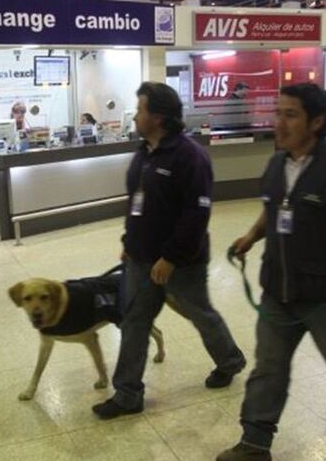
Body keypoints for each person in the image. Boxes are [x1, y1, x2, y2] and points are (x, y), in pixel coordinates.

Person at [217, 83, 326, 461]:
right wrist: (252, 235)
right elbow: (276, 206)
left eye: (290, 114)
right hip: (277, 292)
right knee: (269, 367)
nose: (278, 123)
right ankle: (254, 442)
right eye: (277, 112)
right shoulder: (277, 162)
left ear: (316, 122)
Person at [92, 82, 246, 420]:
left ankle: (230, 360)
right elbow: (136, 203)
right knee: (134, 321)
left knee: (200, 314)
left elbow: (197, 212)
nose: (135, 115)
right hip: (140, 259)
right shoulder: (143, 153)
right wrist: (128, 244)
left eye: (140, 109)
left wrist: (171, 258)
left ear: (158, 117)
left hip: (182, 263)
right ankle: (128, 394)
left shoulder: (190, 156)